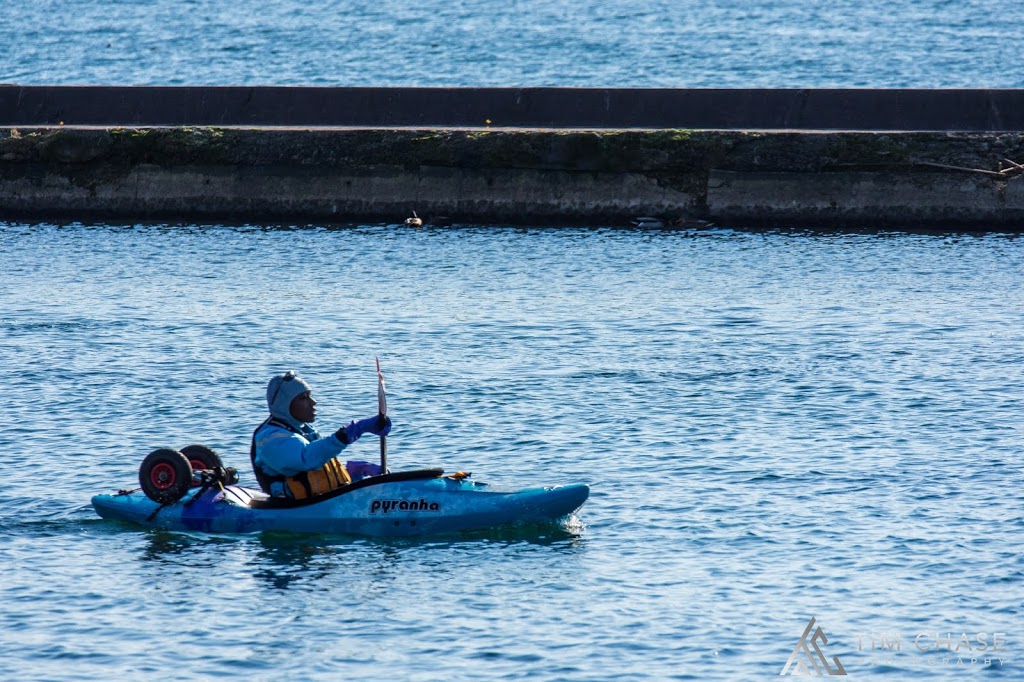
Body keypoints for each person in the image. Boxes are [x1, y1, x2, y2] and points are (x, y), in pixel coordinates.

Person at [251, 370, 391, 499]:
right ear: (284, 404)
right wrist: (352, 431)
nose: (313, 402)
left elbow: (319, 472)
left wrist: (354, 471)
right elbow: (307, 459)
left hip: (323, 501)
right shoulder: (269, 437)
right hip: (294, 508)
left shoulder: (303, 430)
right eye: (303, 398)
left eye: (310, 395)